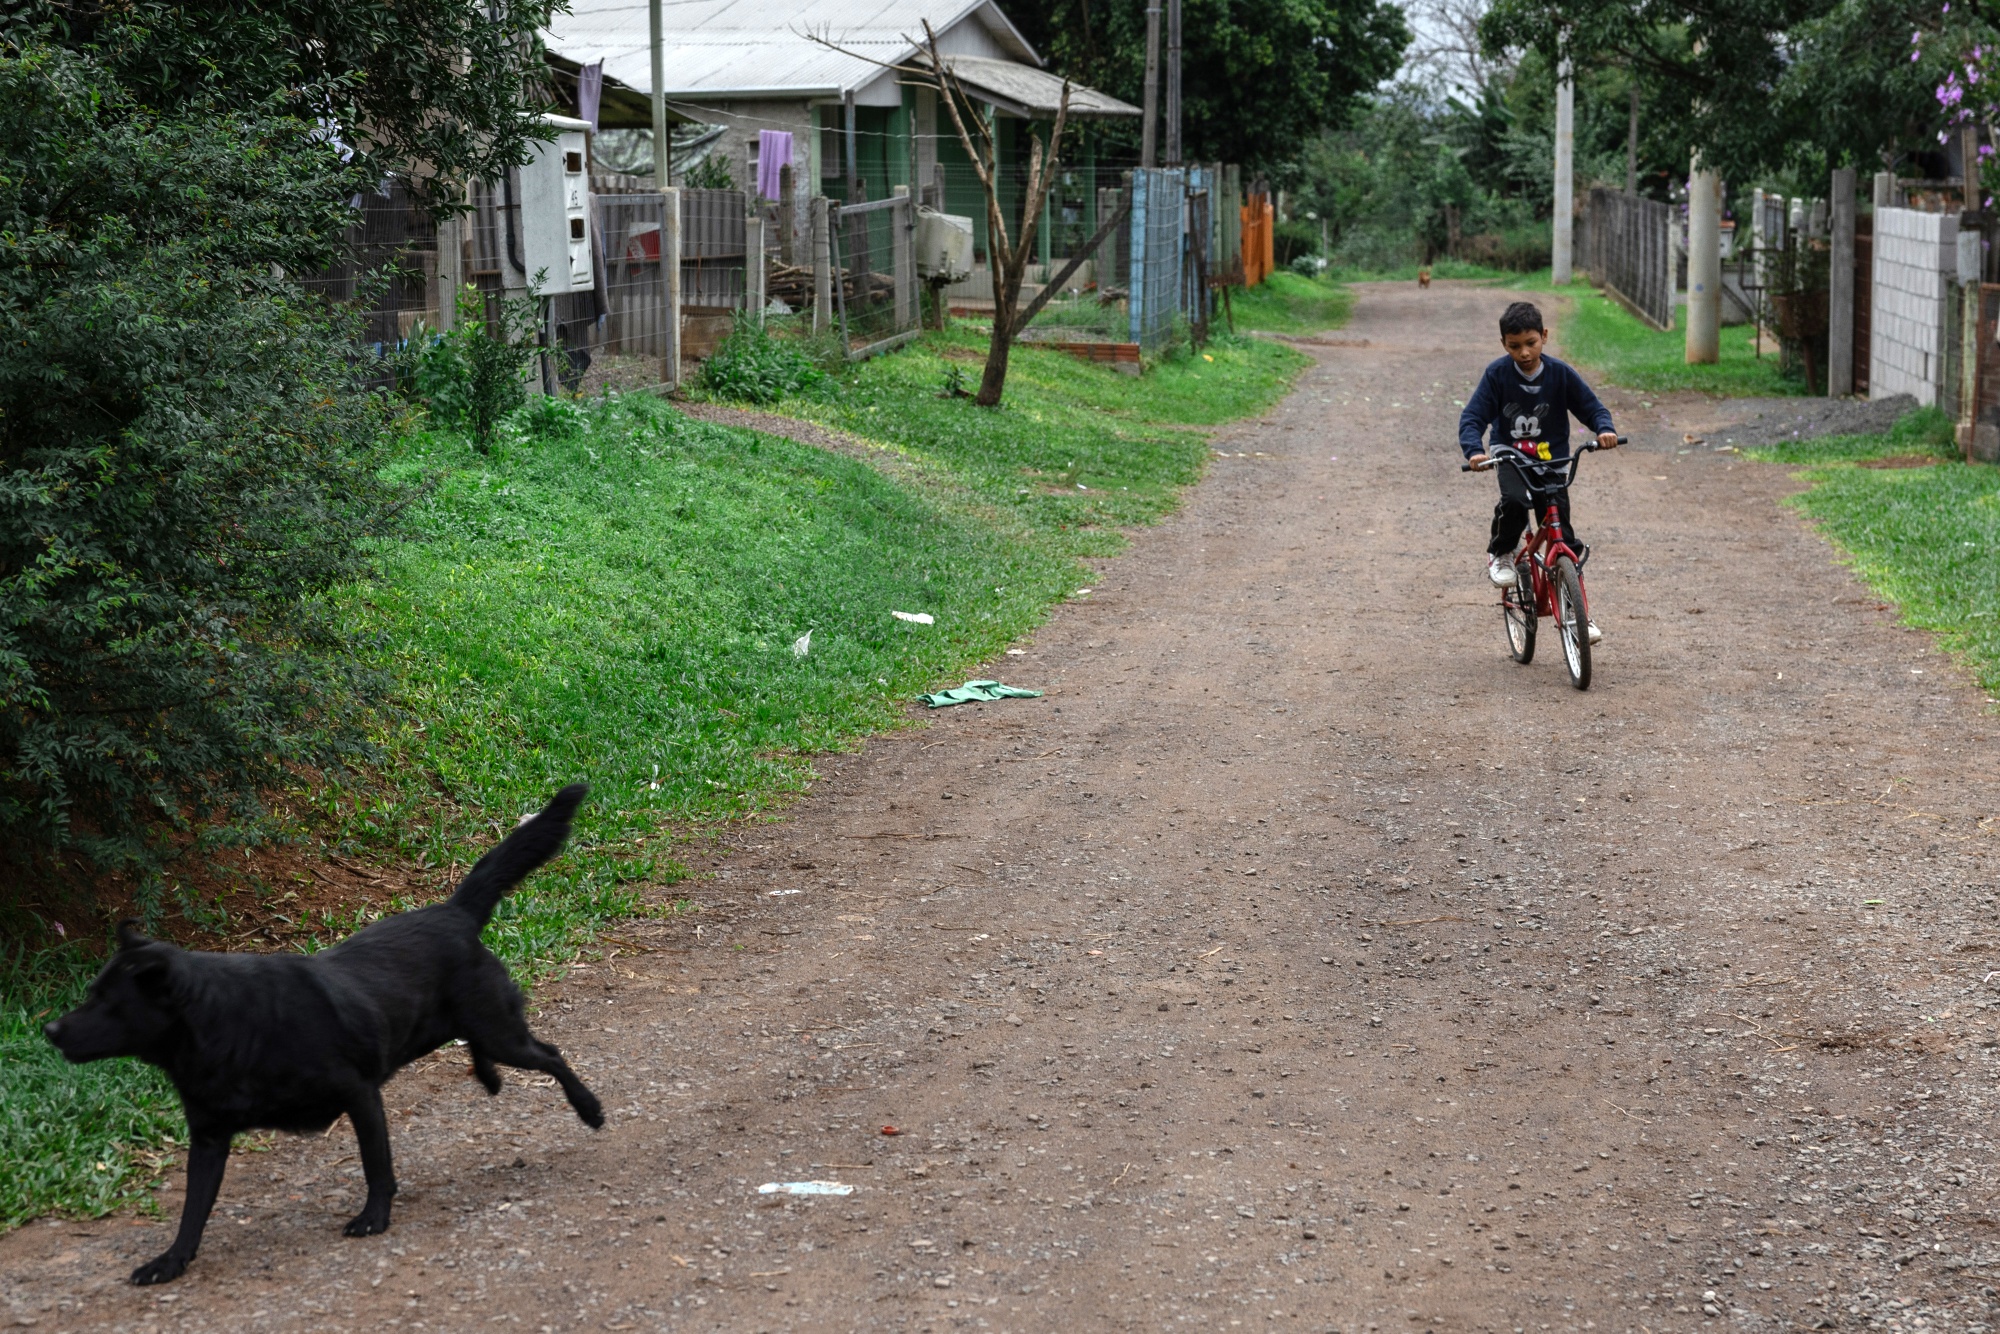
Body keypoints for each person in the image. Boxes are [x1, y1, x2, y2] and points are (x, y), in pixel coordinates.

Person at [1458, 300, 1619, 644]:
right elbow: (1473, 418)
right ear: (1504, 344)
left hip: (1553, 462)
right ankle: (1501, 551)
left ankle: (1578, 615)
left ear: (1544, 336)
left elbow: (1591, 406)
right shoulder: (1497, 375)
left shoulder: (1560, 374)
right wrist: (1474, 450)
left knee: (1565, 537)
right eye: (1515, 346)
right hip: (1510, 457)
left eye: (1531, 343)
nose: (1525, 353)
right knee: (1515, 502)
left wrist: (1603, 429)